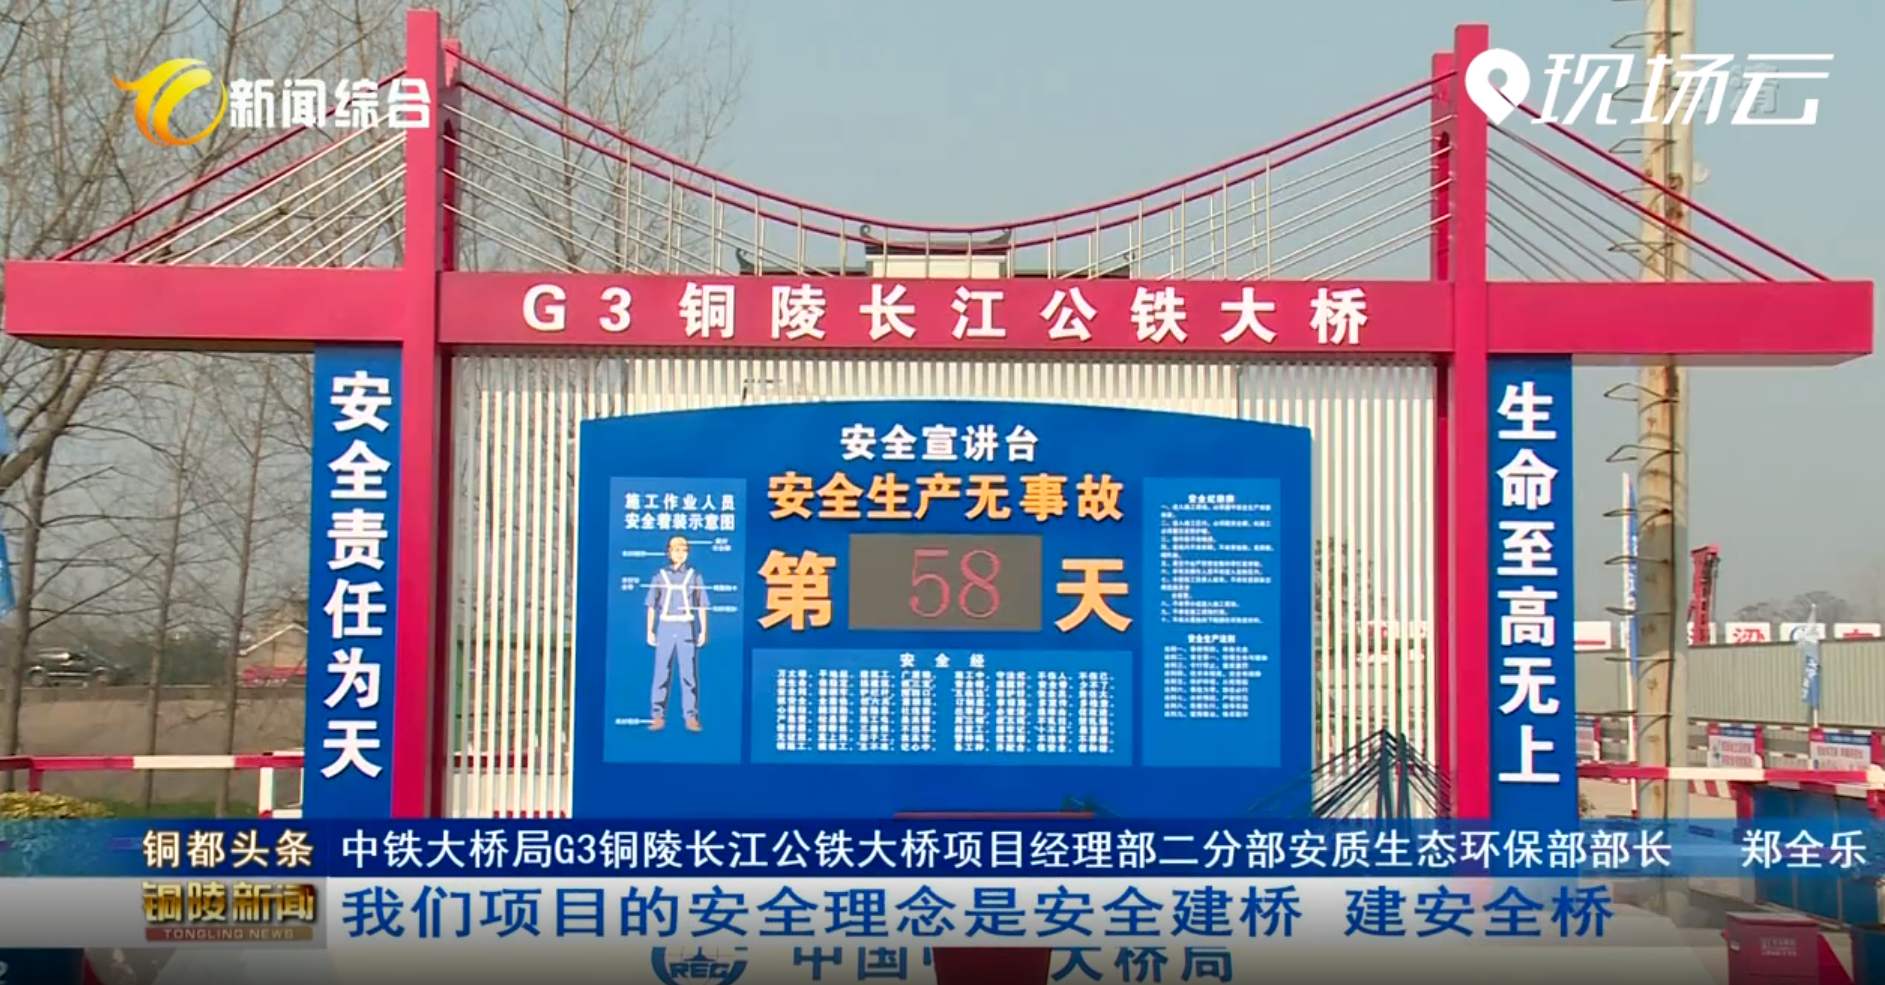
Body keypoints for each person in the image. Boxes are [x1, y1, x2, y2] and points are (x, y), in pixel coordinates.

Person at [646, 534, 708, 732]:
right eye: (676, 550)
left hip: (686, 627)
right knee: (661, 673)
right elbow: (651, 605)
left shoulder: (694, 576)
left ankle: (691, 717)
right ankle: (657, 716)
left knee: (688, 674)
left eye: (684, 550)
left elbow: (702, 605)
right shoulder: (659, 576)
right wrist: (649, 630)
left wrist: (704, 630)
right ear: (669, 552)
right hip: (665, 626)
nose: (680, 554)